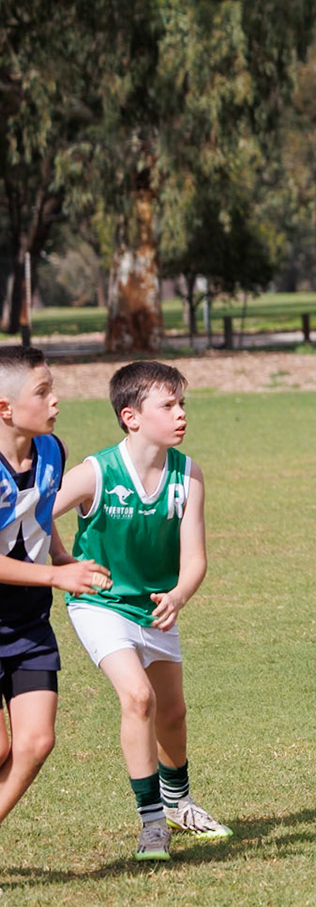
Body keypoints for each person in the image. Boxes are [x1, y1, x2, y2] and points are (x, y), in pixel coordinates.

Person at [53, 361, 227, 861]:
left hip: (155, 608)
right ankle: (152, 823)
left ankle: (179, 804)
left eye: (182, 404)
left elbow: (195, 559)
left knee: (173, 713)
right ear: (131, 417)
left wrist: (179, 596)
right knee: (139, 698)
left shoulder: (187, 474)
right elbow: (35, 514)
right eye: (167, 405)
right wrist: (63, 562)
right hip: (100, 605)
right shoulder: (97, 472)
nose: (181, 414)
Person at [0, 349, 111, 831]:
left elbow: (38, 507)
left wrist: (61, 555)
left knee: (36, 741)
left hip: (27, 622)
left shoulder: (52, 449)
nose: (55, 401)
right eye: (42, 392)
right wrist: (54, 576)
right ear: (5, 408)